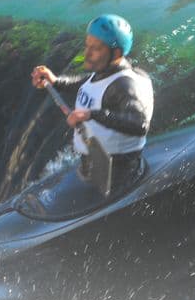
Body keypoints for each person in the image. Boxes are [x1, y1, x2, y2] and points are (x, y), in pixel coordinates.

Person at [31, 14, 154, 192]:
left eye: (95, 48)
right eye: (87, 45)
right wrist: (55, 81)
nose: (86, 53)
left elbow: (139, 124)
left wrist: (90, 114)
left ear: (116, 53)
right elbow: (86, 84)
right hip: (94, 166)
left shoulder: (125, 85)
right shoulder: (105, 72)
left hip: (117, 175)